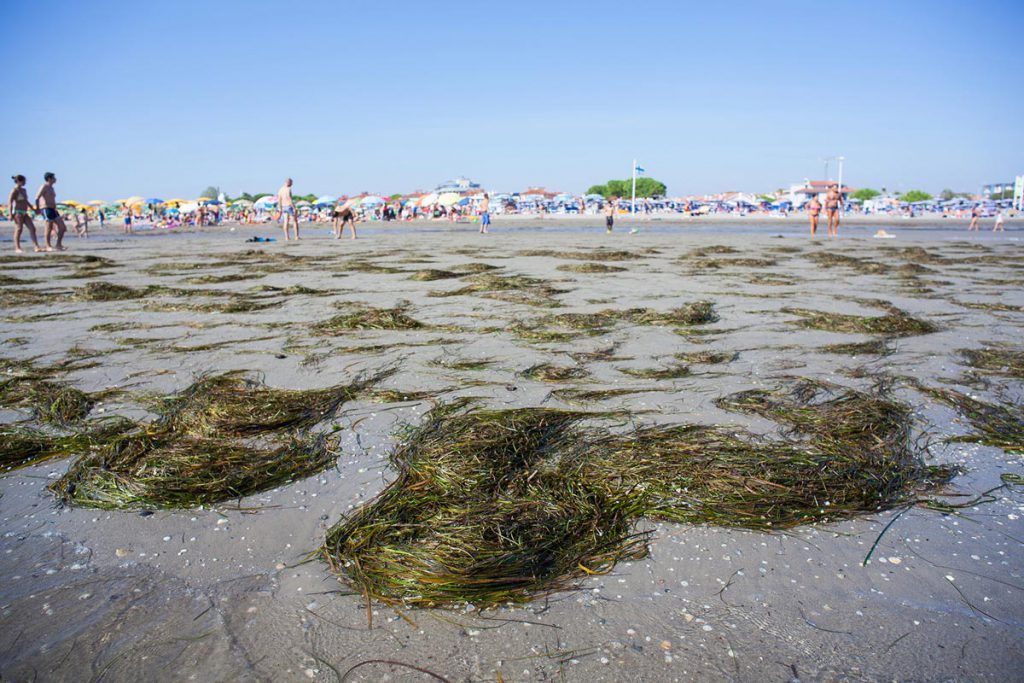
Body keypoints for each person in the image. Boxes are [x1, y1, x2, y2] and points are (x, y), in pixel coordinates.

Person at [8, 175, 42, 253]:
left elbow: (26, 201)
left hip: (25, 212)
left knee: (32, 228)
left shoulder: (24, 190)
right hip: (17, 212)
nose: (25, 182)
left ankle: (36, 246)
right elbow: (10, 202)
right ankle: (17, 248)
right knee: (19, 229)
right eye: (24, 181)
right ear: (19, 181)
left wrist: (33, 209)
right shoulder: (14, 190)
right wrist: (10, 214)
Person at [35, 172, 67, 251]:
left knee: (62, 227)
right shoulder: (44, 186)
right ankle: (48, 246)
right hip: (46, 209)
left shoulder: (52, 188)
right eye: (54, 177)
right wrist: (37, 209)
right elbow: (37, 197)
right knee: (48, 228)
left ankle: (58, 244)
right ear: (49, 178)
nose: (55, 179)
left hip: (53, 209)